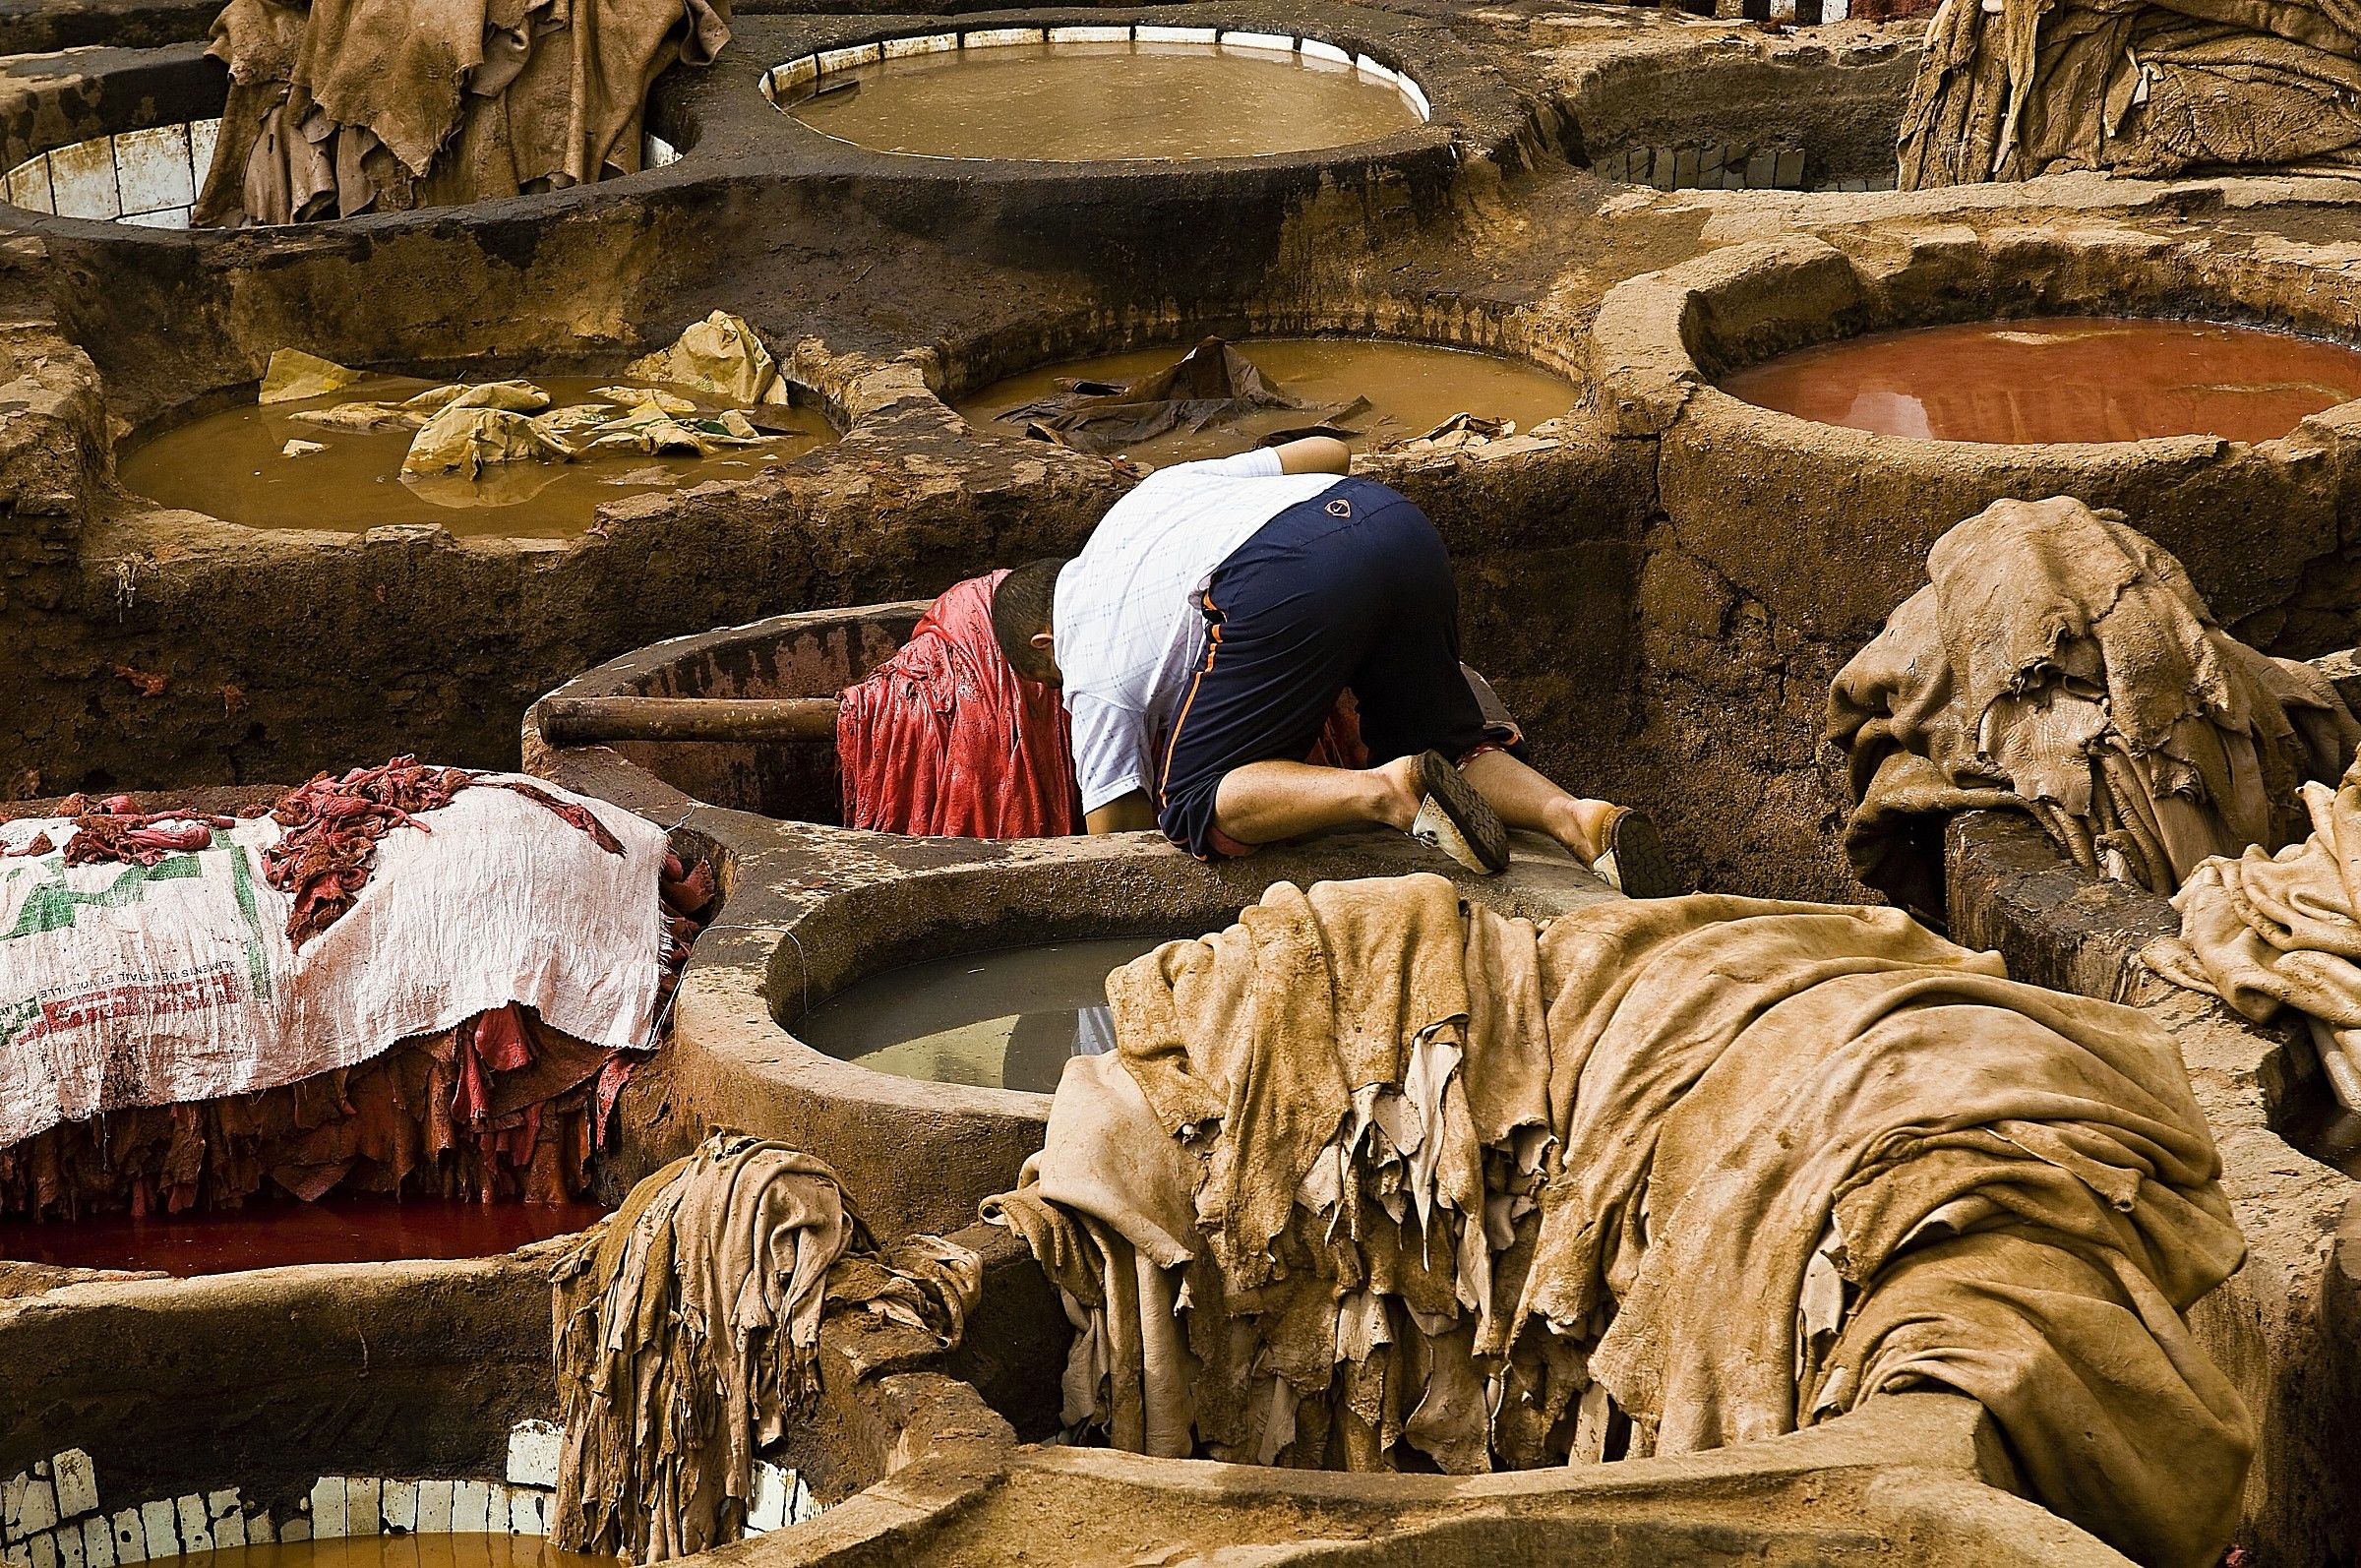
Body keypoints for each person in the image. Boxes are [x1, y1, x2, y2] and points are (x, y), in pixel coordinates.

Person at [989, 436, 1679, 894]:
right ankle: (1580, 819)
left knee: (1193, 802)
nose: (1061, 696)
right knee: (1443, 740)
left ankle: (1385, 791)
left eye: (1048, 686)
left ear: (1045, 645)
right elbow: (1330, 448)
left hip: (1278, 576)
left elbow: (1123, 853)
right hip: (1390, 522)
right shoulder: (1148, 502)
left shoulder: (1087, 662)